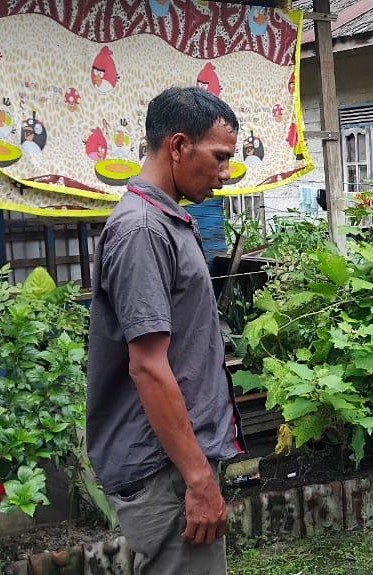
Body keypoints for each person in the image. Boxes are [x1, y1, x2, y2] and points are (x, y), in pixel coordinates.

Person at [87, 87, 246, 574]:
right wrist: (198, 479)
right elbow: (148, 366)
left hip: (176, 463)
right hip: (167, 471)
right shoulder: (142, 231)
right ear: (178, 146)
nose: (224, 174)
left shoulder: (164, 219)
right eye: (219, 157)